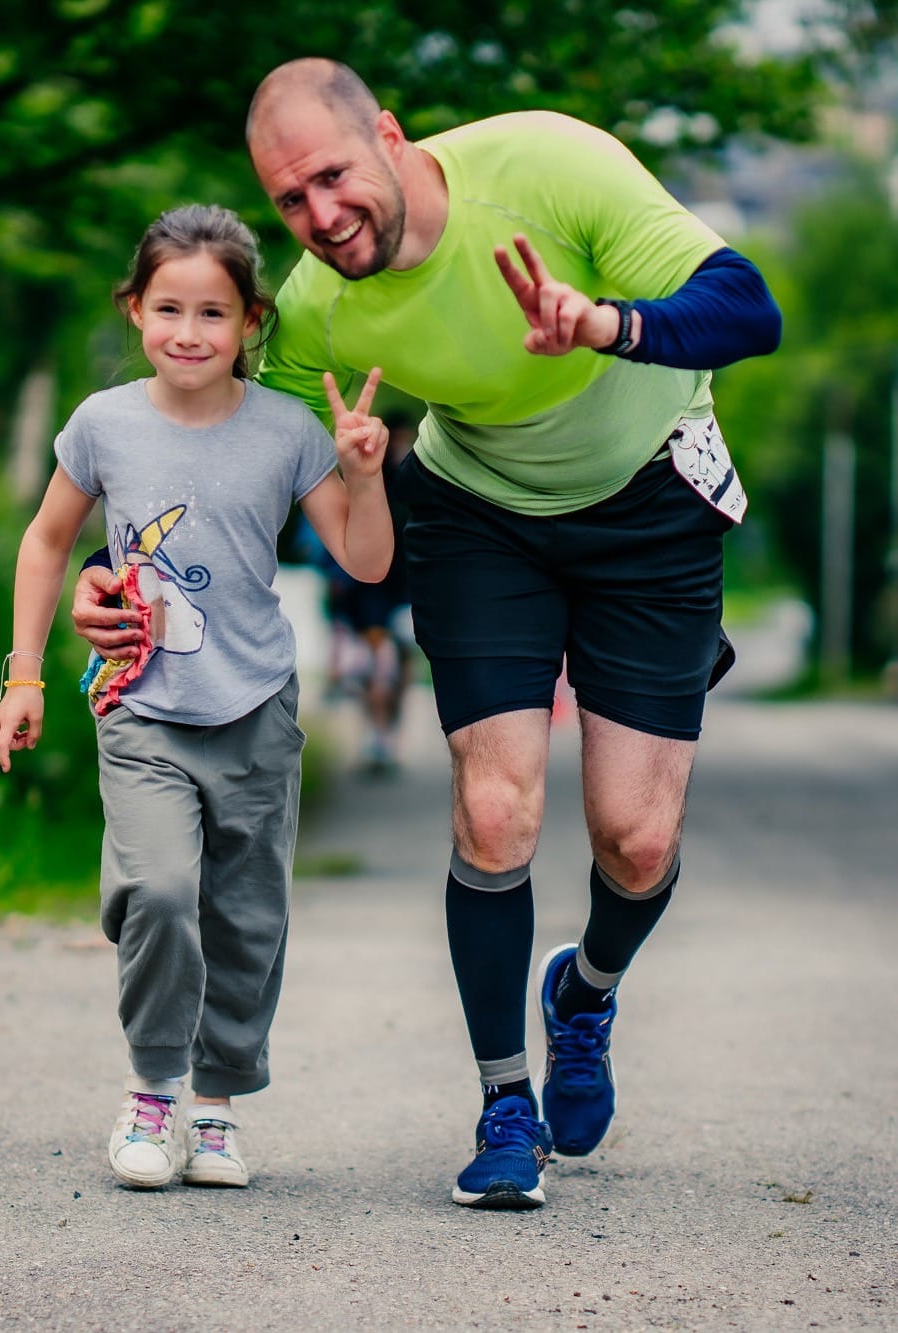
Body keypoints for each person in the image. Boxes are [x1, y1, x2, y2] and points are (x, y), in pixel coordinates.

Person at [72, 60, 782, 1211]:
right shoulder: (309, 309)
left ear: (392, 137)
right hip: (477, 516)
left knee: (635, 840)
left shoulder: (546, 164)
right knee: (495, 808)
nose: (320, 217)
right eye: (289, 201)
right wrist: (111, 587)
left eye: (333, 178)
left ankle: (584, 994)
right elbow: (225, 482)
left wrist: (607, 323)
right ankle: (506, 1103)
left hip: (649, 504)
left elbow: (747, 307)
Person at [0, 203, 392, 1192]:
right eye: (168, 308)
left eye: (212, 313)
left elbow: (366, 559)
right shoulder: (103, 426)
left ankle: (215, 1107)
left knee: (246, 919)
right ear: (133, 310)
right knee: (161, 892)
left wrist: (365, 474)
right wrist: (24, 675)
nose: (188, 332)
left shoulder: (287, 432)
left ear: (251, 321)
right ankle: (152, 1088)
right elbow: (46, 541)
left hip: (253, 710)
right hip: (142, 709)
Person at [297, 409, 417, 772]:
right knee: (381, 667)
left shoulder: (409, 482)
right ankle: (379, 736)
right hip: (372, 594)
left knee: (394, 666)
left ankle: (382, 734)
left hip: (401, 592)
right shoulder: (368, 480)